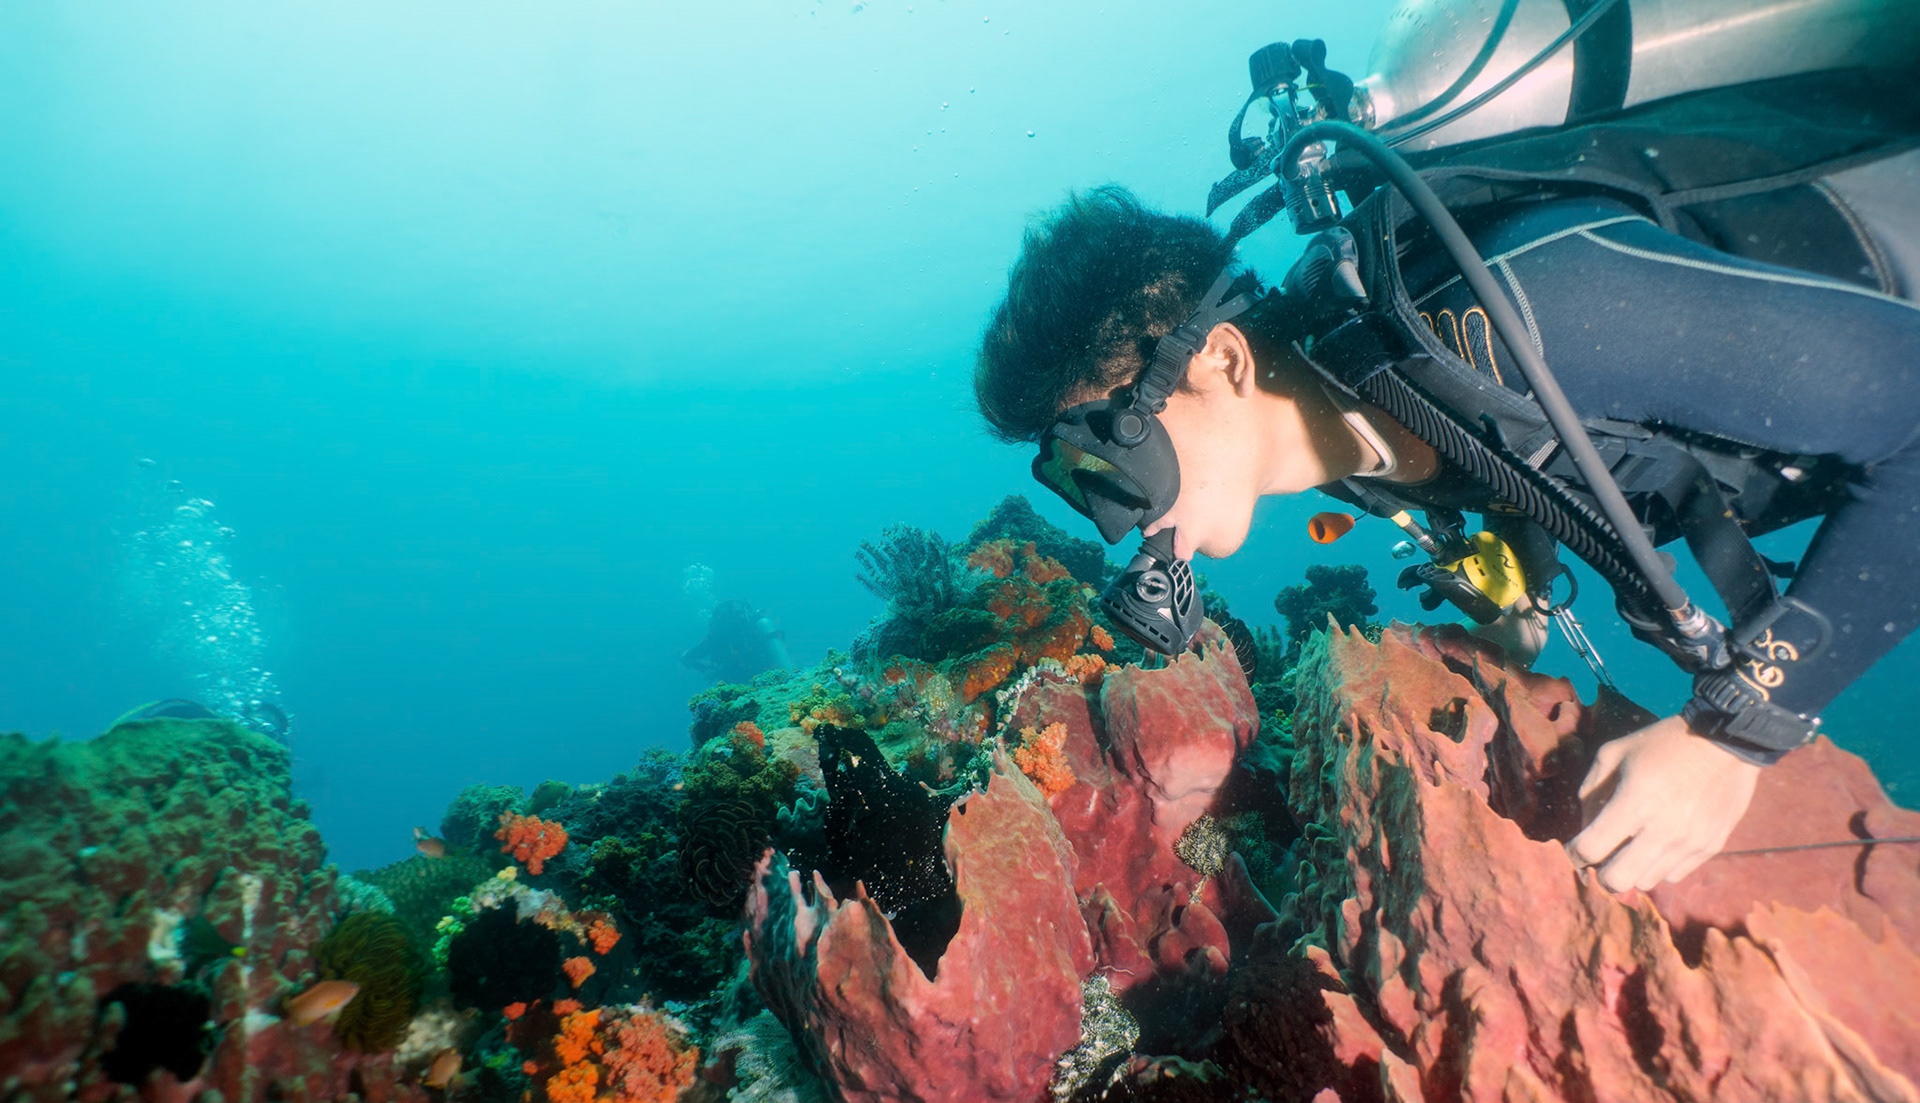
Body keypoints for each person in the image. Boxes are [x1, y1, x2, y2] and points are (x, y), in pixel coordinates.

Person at [971, 15, 1920, 892]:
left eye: (1105, 460)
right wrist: (1521, 583)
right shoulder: (1365, 423)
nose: (1112, 520)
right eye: (1074, 487)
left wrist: (1734, 735)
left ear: (1220, 360)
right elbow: (1524, 459)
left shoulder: (1521, 317)